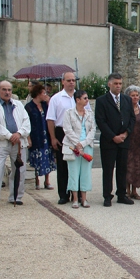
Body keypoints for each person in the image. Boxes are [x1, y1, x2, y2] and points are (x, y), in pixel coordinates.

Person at [0, 81, 31, 208]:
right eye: (4, 89)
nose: (7, 92)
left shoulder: (19, 105)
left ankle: (16, 196)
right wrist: (9, 136)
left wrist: (19, 133)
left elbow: (26, 122)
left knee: (19, 170)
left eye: (9, 89)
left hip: (19, 142)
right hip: (1, 142)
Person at [47, 72, 89, 205]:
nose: (71, 82)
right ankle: (64, 195)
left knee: (78, 165)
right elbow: (50, 119)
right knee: (63, 164)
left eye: (73, 80)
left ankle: (76, 195)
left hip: (79, 132)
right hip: (62, 132)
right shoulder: (56, 98)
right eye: (69, 80)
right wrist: (53, 137)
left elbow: (88, 115)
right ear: (63, 81)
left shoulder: (81, 97)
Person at [95, 73, 135, 207]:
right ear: (109, 84)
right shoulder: (101, 101)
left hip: (124, 140)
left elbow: (131, 119)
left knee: (122, 168)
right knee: (108, 169)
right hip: (109, 141)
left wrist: (126, 133)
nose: (118, 86)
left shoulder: (126, 99)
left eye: (120, 83)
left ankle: (122, 194)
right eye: (115, 83)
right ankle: (107, 196)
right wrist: (113, 136)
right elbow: (100, 121)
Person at [62, 90, 95, 208]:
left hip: (86, 146)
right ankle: (75, 199)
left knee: (85, 173)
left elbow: (92, 130)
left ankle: (84, 199)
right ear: (78, 100)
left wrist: (84, 143)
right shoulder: (69, 113)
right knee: (74, 172)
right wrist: (77, 144)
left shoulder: (89, 114)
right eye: (85, 98)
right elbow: (67, 129)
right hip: (73, 147)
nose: (87, 100)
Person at [24, 83, 56, 191]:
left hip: (46, 135)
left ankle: (47, 181)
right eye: (43, 92)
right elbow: (26, 123)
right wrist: (28, 138)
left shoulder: (46, 105)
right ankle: (36, 180)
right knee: (36, 159)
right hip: (35, 135)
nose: (45, 94)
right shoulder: (29, 107)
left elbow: (52, 116)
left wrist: (48, 101)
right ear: (38, 94)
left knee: (48, 158)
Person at [124, 85, 140, 200]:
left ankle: (135, 190)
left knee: (138, 167)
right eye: (132, 95)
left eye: (137, 95)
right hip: (128, 141)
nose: (135, 97)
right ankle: (127, 190)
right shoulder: (124, 109)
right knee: (128, 166)